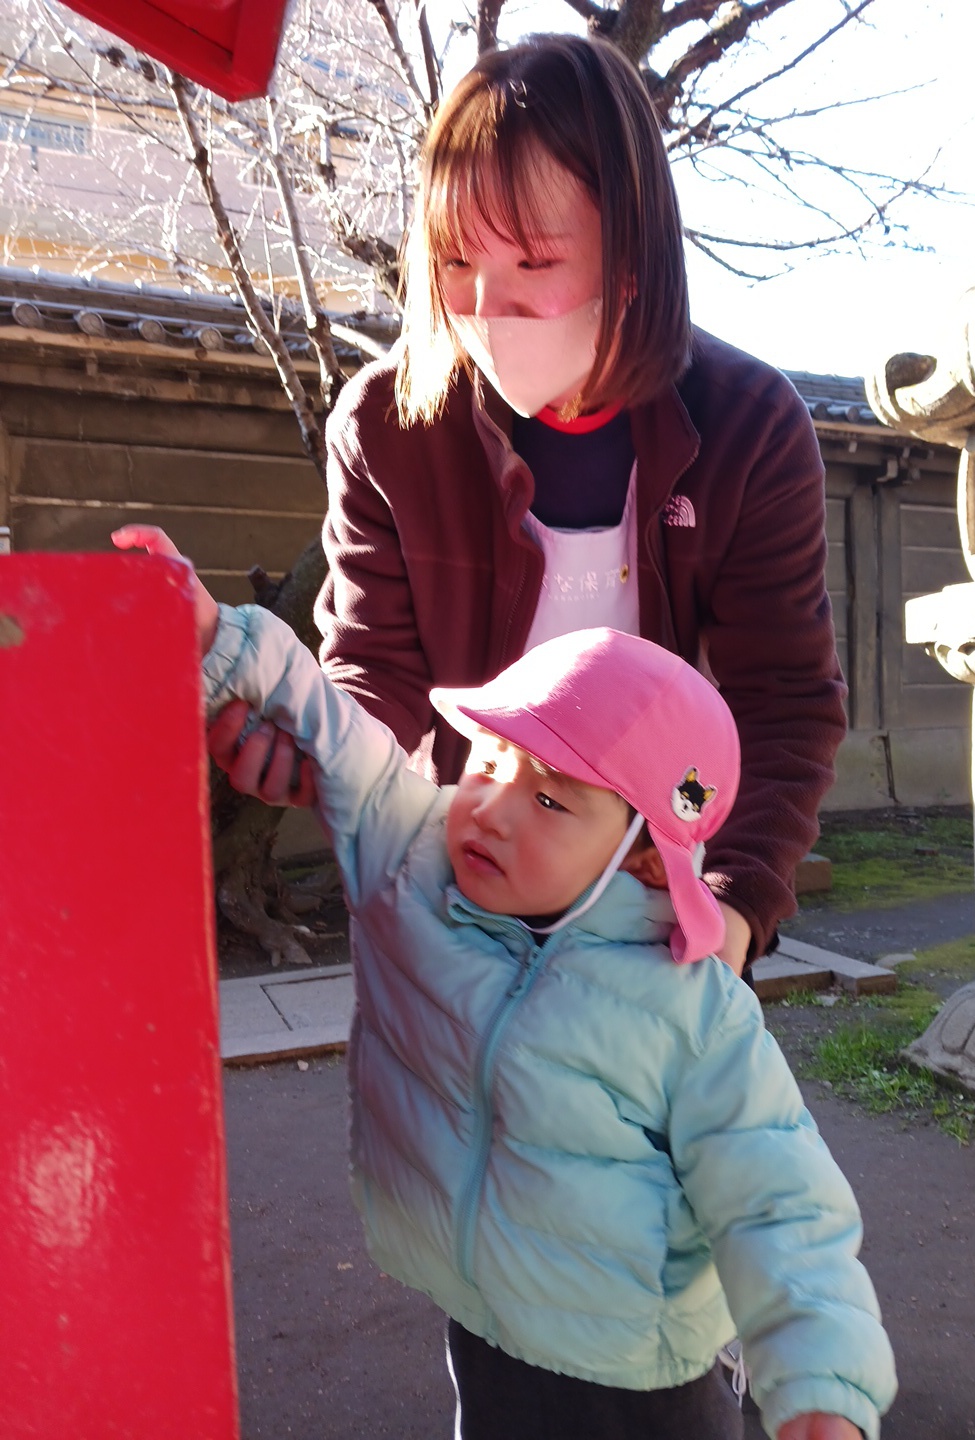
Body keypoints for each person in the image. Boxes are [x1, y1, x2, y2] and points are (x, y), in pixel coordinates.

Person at [114, 524, 895, 1440]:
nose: (490, 807)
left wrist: (821, 1383)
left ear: (644, 858)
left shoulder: (690, 1006)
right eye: (488, 761)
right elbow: (337, 735)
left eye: (551, 797)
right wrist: (219, 636)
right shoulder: (413, 867)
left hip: (637, 1371)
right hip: (489, 1322)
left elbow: (777, 1198)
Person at [208, 31, 848, 980]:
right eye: (455, 260)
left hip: (657, 900)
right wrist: (314, 744)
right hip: (462, 886)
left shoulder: (748, 427)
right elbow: (376, 667)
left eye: (536, 263)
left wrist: (731, 906)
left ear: (630, 257)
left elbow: (782, 701)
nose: (484, 303)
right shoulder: (389, 424)